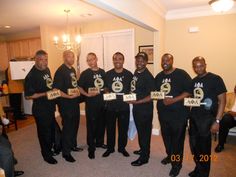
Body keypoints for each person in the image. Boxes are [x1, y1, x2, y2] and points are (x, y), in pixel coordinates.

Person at [155, 53, 192, 177]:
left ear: (172, 61)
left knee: (177, 140)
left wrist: (173, 100)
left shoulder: (182, 74)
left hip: (179, 114)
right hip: (163, 113)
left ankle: (177, 165)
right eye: (163, 60)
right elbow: (156, 93)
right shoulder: (159, 76)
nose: (165, 62)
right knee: (166, 138)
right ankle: (170, 156)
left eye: (168, 60)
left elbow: (188, 92)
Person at [189, 56, 226, 177]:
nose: (198, 68)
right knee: (194, 146)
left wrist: (217, 121)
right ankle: (198, 168)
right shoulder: (193, 81)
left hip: (207, 119)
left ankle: (204, 173)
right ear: (193, 67)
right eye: (195, 66)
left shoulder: (215, 79)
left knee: (204, 148)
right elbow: (192, 99)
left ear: (205, 65)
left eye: (201, 65)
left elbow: (222, 101)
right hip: (194, 118)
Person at [24, 50, 58, 164]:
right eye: (41, 59)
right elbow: (28, 96)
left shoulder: (46, 70)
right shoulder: (31, 76)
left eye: (46, 59)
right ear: (36, 59)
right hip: (40, 110)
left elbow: (49, 84)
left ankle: (51, 149)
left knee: (52, 131)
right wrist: (45, 94)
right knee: (44, 134)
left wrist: (53, 91)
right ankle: (46, 155)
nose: (45, 62)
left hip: (49, 107)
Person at [53, 50, 82, 163]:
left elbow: (74, 83)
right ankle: (66, 153)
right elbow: (56, 90)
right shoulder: (60, 71)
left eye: (73, 57)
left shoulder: (72, 69)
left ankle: (73, 145)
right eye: (70, 57)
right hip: (65, 104)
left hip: (74, 103)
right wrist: (68, 97)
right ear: (64, 57)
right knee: (68, 127)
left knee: (75, 125)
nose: (72, 59)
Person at [103, 52, 133, 158]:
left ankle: (122, 148)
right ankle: (110, 148)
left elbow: (132, 89)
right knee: (110, 128)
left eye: (120, 59)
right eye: (115, 59)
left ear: (123, 61)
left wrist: (130, 95)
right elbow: (105, 87)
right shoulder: (108, 74)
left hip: (124, 107)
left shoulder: (129, 74)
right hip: (110, 106)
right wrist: (106, 91)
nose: (117, 61)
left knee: (123, 129)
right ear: (113, 61)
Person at [128, 52, 155, 166]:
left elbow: (152, 95)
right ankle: (143, 149)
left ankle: (144, 157)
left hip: (145, 110)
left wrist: (137, 101)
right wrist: (130, 95)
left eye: (142, 60)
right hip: (137, 108)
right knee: (140, 130)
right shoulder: (136, 72)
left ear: (146, 62)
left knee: (145, 133)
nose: (139, 62)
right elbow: (134, 88)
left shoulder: (148, 76)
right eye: (137, 60)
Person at [78, 52, 106, 159]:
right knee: (91, 127)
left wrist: (104, 91)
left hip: (102, 104)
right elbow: (79, 87)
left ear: (96, 59)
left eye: (92, 59)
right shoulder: (85, 73)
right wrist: (86, 94)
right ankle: (91, 148)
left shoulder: (103, 72)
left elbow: (106, 86)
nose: (91, 62)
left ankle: (99, 142)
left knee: (101, 125)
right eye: (88, 60)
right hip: (91, 105)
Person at [215, 85, 236, 152]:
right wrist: (230, 111)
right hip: (231, 116)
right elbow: (223, 105)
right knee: (225, 119)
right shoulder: (230, 95)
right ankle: (221, 144)